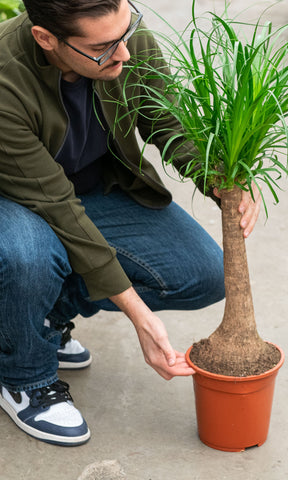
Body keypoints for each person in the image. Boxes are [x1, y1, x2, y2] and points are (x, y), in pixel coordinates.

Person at [0, 0, 261, 447]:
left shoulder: (122, 37)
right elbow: (56, 205)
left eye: (126, 32)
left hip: (95, 188)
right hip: (17, 200)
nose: (124, 54)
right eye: (102, 48)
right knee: (28, 257)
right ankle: (23, 375)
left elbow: (166, 119)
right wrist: (138, 316)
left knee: (201, 272)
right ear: (46, 39)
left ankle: (34, 322)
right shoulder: (6, 80)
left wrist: (220, 178)